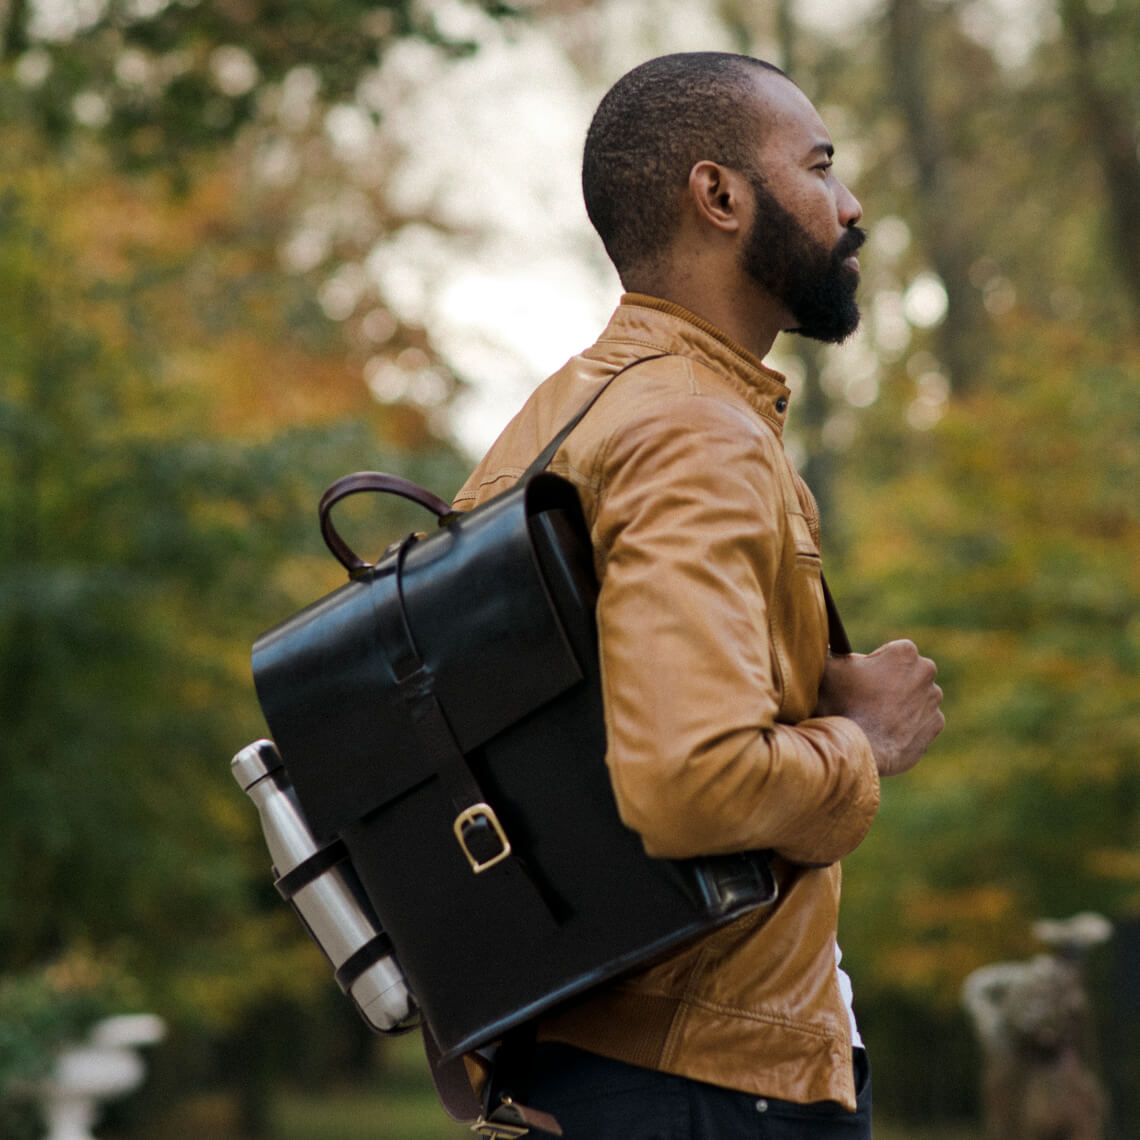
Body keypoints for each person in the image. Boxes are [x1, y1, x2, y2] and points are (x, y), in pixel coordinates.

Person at [453, 51, 945, 1139]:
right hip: (708, 1085)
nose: (851, 205)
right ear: (719, 195)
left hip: (576, 1058)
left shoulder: (561, 417)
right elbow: (690, 780)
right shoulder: (694, 431)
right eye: (819, 167)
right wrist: (861, 741)